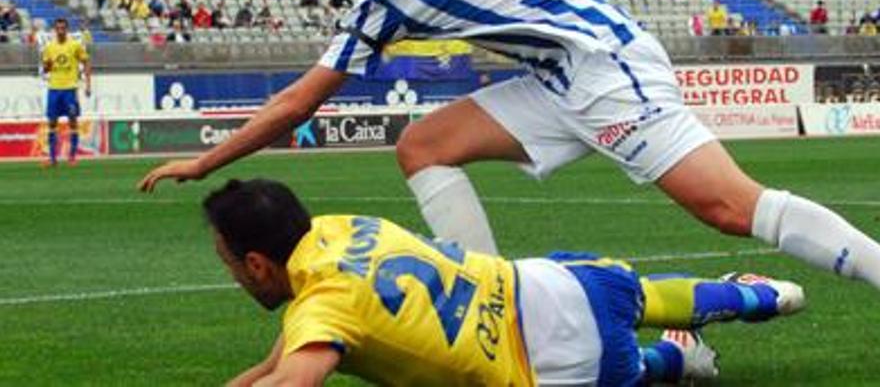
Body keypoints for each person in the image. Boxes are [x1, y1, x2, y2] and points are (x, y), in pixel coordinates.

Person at [140, 0, 880, 293]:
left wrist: (204, 162)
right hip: (561, 77)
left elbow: (298, 104)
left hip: (604, 72)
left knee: (729, 208)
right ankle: (486, 298)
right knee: (424, 145)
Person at [208, 179, 805, 387]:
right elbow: (278, 362)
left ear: (258, 264)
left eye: (229, 265)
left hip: (552, 369)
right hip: (546, 284)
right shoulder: (340, 228)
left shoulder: (322, 310)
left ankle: (677, 361)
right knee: (643, 294)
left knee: (631, 366)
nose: (232, 276)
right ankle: (761, 295)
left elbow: (294, 375)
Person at [41, 19, 90, 167]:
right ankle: (52, 158)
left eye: (63, 28)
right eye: (58, 28)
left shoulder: (75, 45)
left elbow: (86, 62)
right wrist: (47, 66)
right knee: (52, 122)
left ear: (67, 30)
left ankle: (72, 157)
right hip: (54, 89)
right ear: (55, 30)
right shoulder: (49, 47)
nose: (60, 31)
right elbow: (46, 69)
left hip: (70, 89)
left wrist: (88, 84)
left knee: (73, 121)